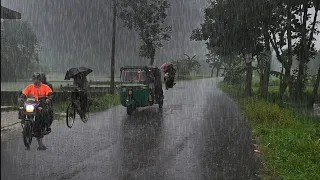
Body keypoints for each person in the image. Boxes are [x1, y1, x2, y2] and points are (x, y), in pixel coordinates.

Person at [18, 73, 53, 150]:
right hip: (31, 105)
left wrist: (48, 98)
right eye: (34, 79)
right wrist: (21, 99)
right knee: (22, 111)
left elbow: (50, 94)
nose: (35, 81)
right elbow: (24, 94)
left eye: (37, 79)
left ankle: (41, 139)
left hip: (41, 105)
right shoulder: (30, 87)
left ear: (40, 80)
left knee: (41, 117)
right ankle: (25, 126)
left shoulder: (45, 87)